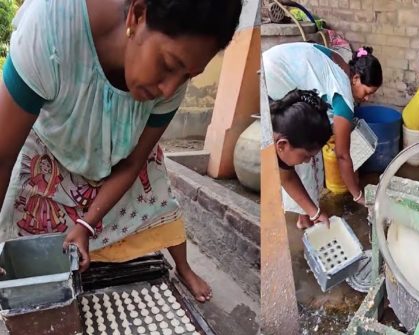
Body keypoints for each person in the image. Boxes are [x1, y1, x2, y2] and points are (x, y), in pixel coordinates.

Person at [0, 0, 242, 302]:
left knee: (159, 198)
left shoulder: (170, 82)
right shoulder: (50, 29)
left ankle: (182, 266)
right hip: (54, 147)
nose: (170, 89)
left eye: (188, 76)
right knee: (38, 247)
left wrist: (88, 224)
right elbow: (3, 157)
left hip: (123, 154)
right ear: (138, 15)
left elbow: (135, 162)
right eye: (169, 65)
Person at [263, 42, 383, 229]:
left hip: (273, 64)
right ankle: (304, 216)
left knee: (306, 154)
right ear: (356, 78)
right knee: (304, 157)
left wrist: (315, 212)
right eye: (367, 92)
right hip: (272, 82)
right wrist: (358, 195)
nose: (367, 99)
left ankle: (307, 213)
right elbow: (342, 155)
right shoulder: (344, 102)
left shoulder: (341, 64)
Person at [271, 89, 334, 227]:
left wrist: (315, 213)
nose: (307, 161)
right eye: (306, 156)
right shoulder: (265, 152)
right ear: (282, 145)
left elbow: (287, 177)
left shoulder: (282, 142)